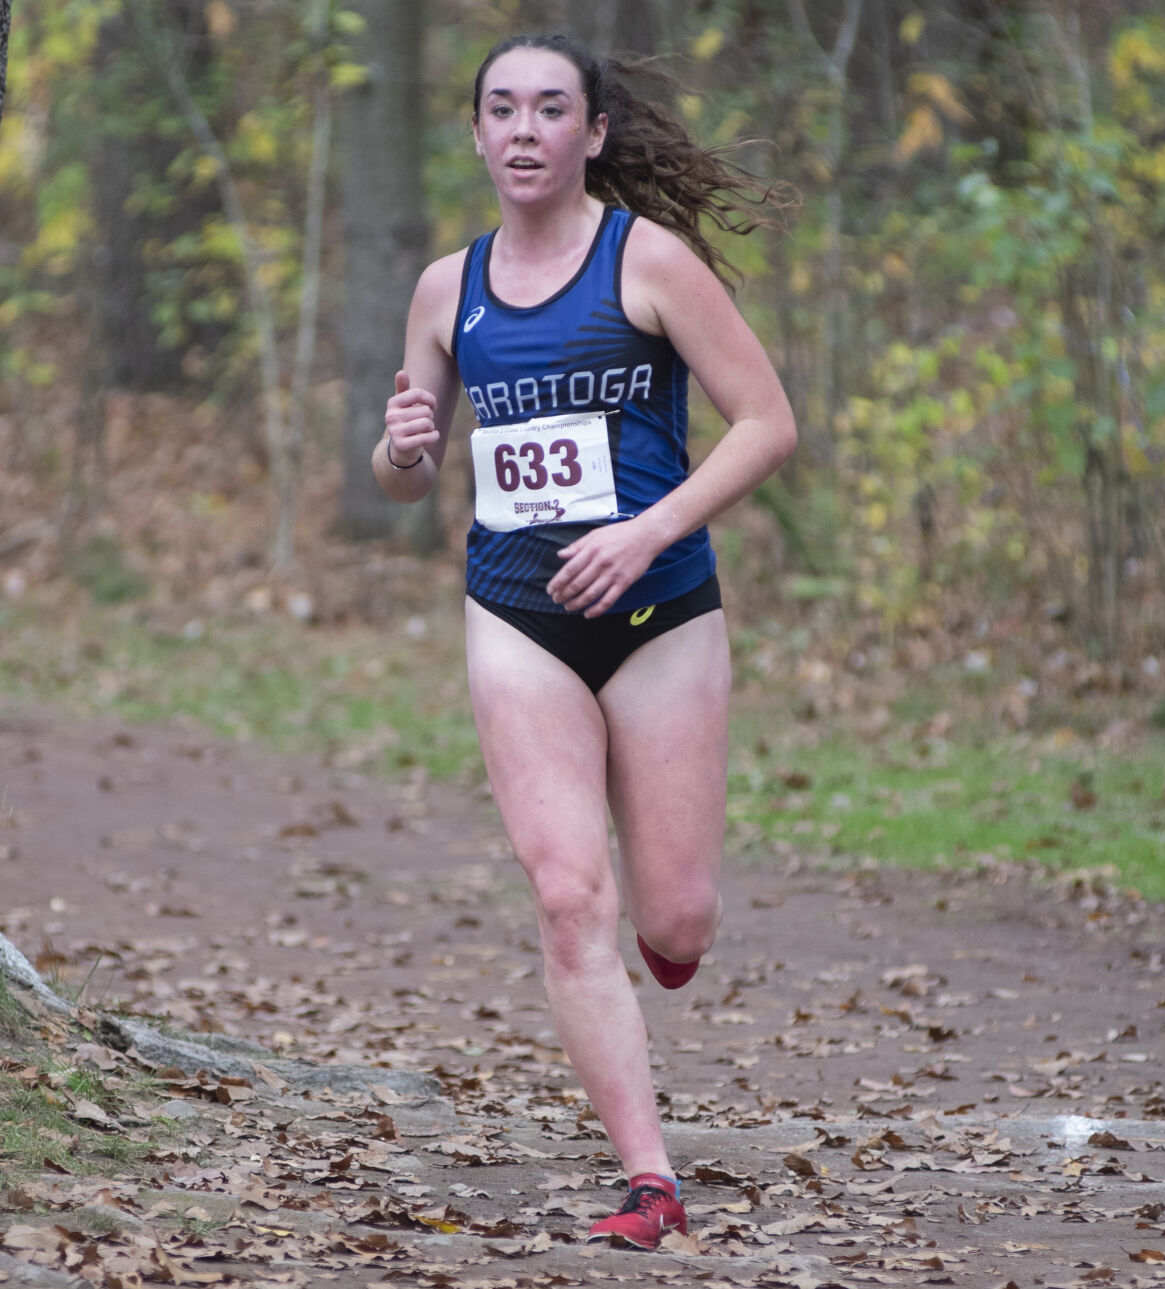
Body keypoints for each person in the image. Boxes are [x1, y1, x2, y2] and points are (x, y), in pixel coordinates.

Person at [375, 31, 796, 1250]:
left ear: (591, 134)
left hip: (658, 609)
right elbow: (406, 479)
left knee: (675, 921)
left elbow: (766, 423)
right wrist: (401, 449)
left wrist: (643, 530)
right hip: (516, 614)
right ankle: (648, 1175)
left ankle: (660, 945)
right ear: (474, 134)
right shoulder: (444, 290)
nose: (522, 129)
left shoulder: (646, 260)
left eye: (549, 108)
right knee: (568, 896)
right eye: (499, 108)